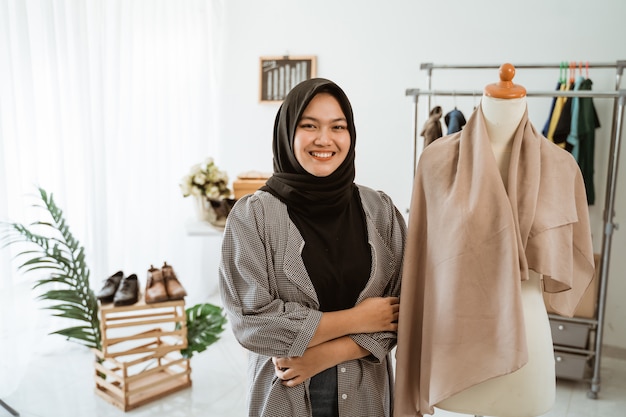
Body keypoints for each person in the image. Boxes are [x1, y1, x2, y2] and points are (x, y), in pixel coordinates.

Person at [394, 64, 595, 417]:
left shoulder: (563, 167)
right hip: (455, 338)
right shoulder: (436, 162)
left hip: (528, 348)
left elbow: (571, 259)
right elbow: (421, 266)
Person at [219, 78, 407, 417]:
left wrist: (322, 355)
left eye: (338, 126)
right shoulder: (252, 216)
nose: (325, 139)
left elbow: (400, 314)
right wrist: (357, 318)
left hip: (366, 393)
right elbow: (253, 324)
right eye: (310, 126)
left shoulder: (381, 211)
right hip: (284, 392)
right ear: (288, 132)